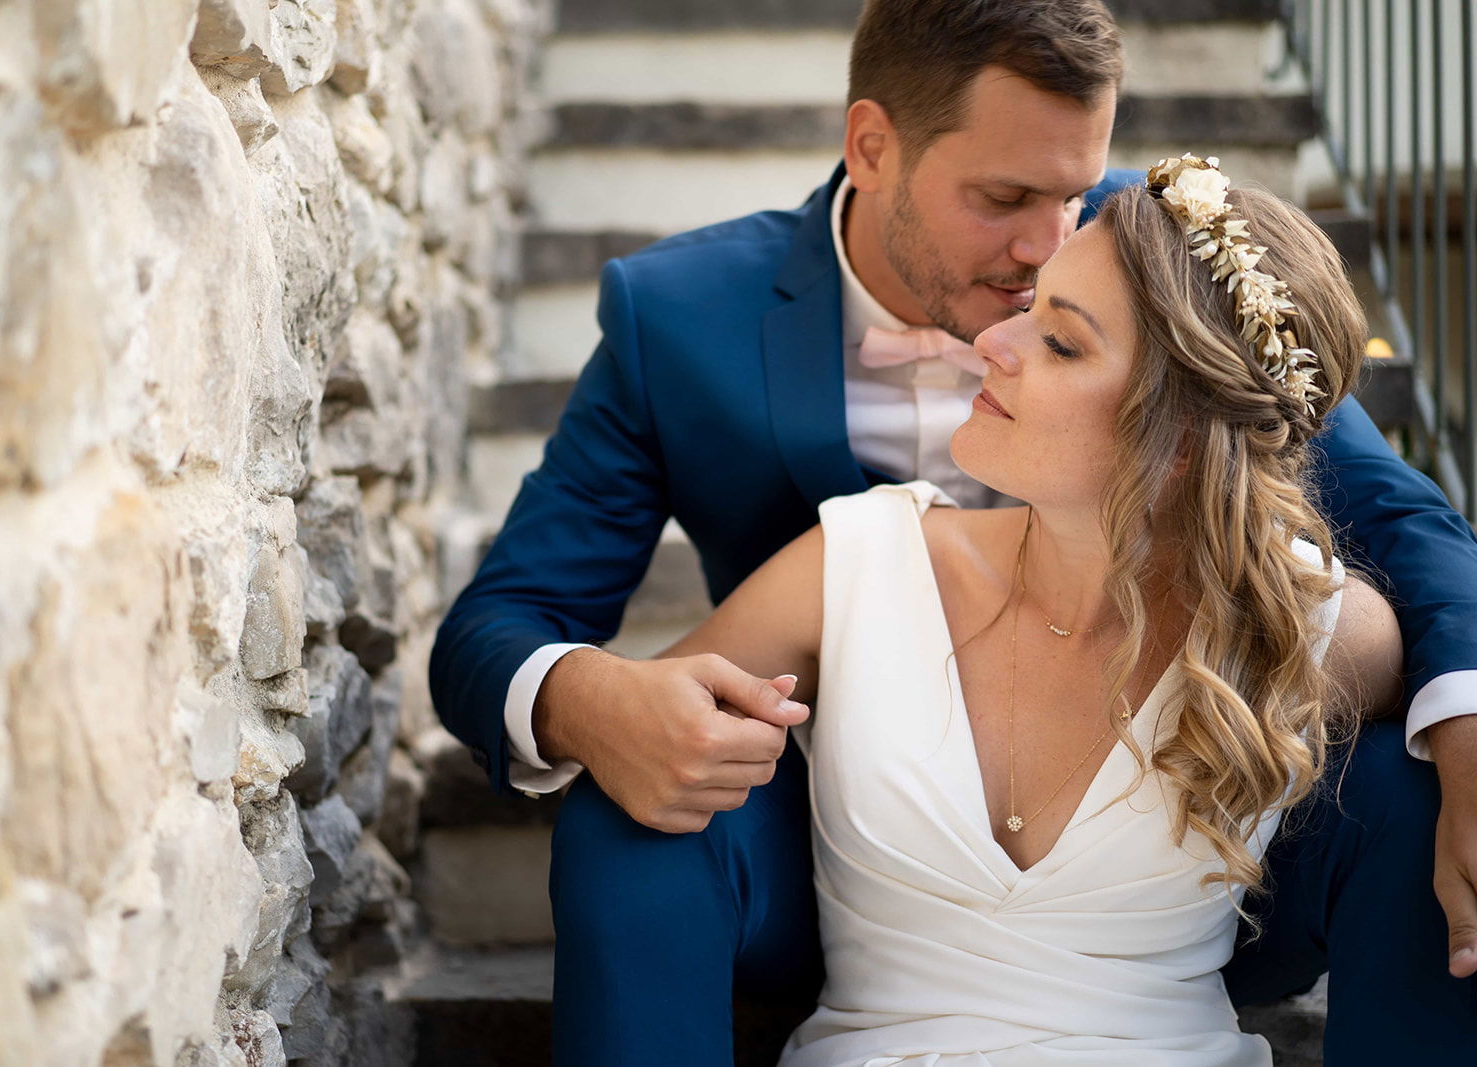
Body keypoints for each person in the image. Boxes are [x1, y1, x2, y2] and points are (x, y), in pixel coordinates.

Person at [429, 2, 1477, 1063]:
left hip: (1184, 865)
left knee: (1411, 773)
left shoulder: (1144, 266)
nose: (1043, 245)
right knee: (634, 813)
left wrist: (1469, 719)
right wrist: (589, 698)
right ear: (872, 146)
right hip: (851, 849)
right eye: (1005, 197)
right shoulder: (682, 316)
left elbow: (1390, 513)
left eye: (1074, 191)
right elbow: (503, 621)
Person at [653, 155, 1402, 1065]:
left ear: (1179, 443)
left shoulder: (1319, 635)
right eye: (1028, 309)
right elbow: (636, 731)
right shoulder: (860, 562)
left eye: (1062, 342)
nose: (993, 345)